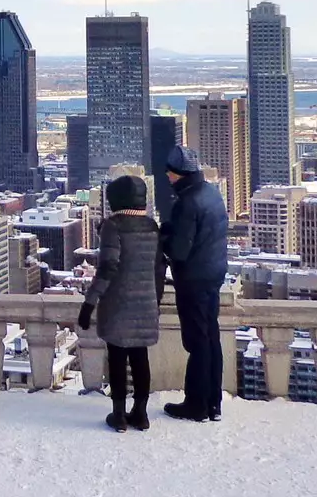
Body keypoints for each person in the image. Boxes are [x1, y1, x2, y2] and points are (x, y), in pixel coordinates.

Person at [79, 173, 162, 431]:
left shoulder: (113, 226)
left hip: (117, 303)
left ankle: (118, 415)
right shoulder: (152, 226)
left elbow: (107, 268)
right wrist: (154, 300)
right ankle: (141, 413)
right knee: (140, 357)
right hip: (147, 302)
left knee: (117, 357)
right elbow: (159, 269)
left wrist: (89, 303)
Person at [159, 145, 229, 422]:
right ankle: (214, 402)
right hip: (213, 273)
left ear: (177, 175)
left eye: (169, 172)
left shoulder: (187, 203)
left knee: (197, 341)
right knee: (211, 338)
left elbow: (179, 251)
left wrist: (163, 237)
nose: (167, 176)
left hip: (194, 279)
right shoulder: (211, 193)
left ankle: (196, 404)